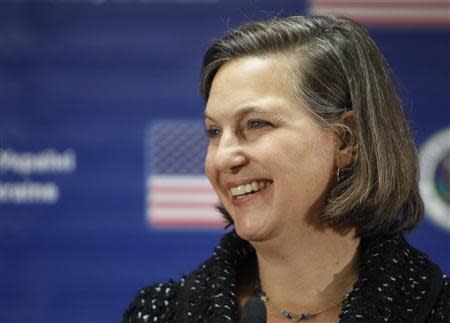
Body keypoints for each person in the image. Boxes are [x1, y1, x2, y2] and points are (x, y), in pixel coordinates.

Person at [123, 16, 449, 323]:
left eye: (256, 124)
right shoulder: (160, 313)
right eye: (215, 132)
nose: (223, 158)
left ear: (347, 141)